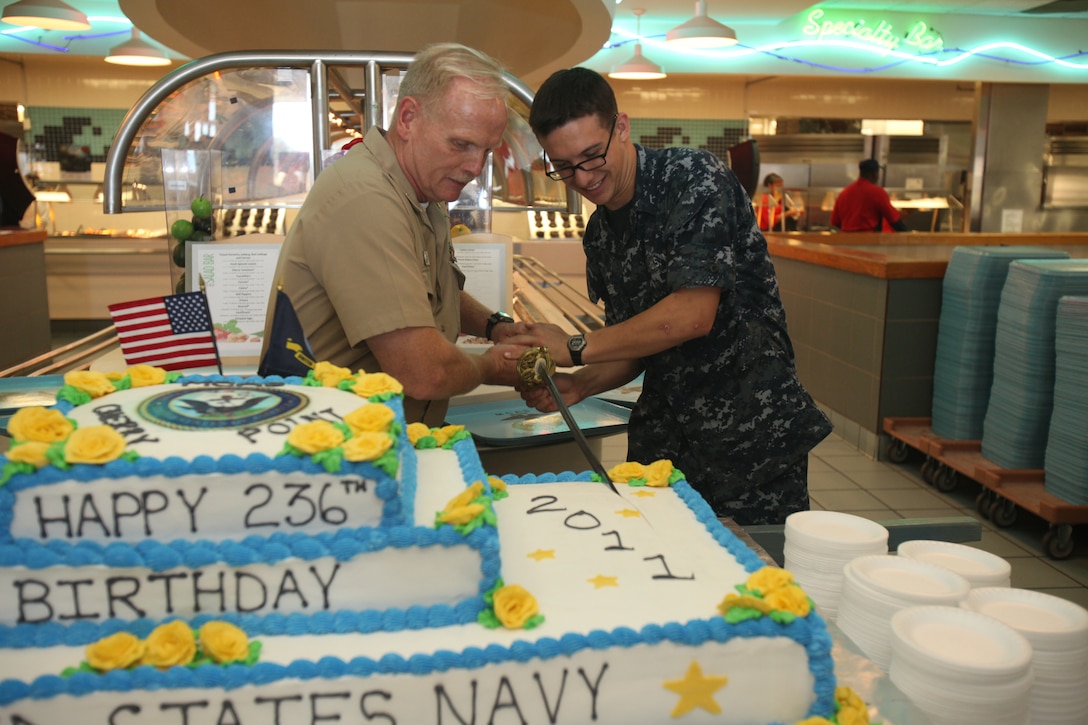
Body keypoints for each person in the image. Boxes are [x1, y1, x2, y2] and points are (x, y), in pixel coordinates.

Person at [511, 67, 832, 526]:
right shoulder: (600, 233)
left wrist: (575, 347)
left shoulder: (692, 179)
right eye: (562, 166)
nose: (581, 178)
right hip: (665, 448)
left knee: (756, 584)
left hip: (749, 443)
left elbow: (690, 316)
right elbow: (636, 342)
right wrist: (580, 386)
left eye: (590, 156)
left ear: (621, 127)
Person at [263, 43, 528, 426]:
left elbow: (434, 291)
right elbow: (424, 372)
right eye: (460, 144)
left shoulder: (426, 190)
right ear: (407, 118)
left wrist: (496, 326)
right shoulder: (365, 198)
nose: (474, 167)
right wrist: (493, 366)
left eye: (487, 150)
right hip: (334, 451)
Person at [830, 159, 909, 232]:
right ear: (875, 174)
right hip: (868, 240)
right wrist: (908, 234)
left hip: (845, 241)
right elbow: (894, 219)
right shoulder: (877, 192)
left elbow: (835, 222)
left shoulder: (844, 193)